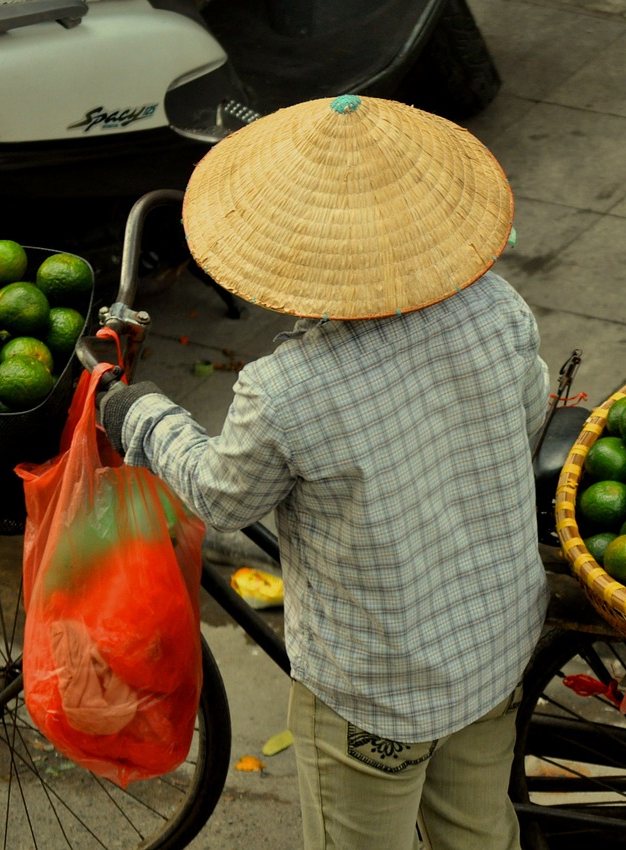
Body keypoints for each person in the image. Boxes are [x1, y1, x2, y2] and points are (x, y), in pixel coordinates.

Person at [99, 93, 550, 849]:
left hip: (377, 690)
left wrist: (139, 416)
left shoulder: (289, 390)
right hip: (495, 647)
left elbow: (220, 494)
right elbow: (529, 415)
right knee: (478, 836)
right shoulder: (497, 308)